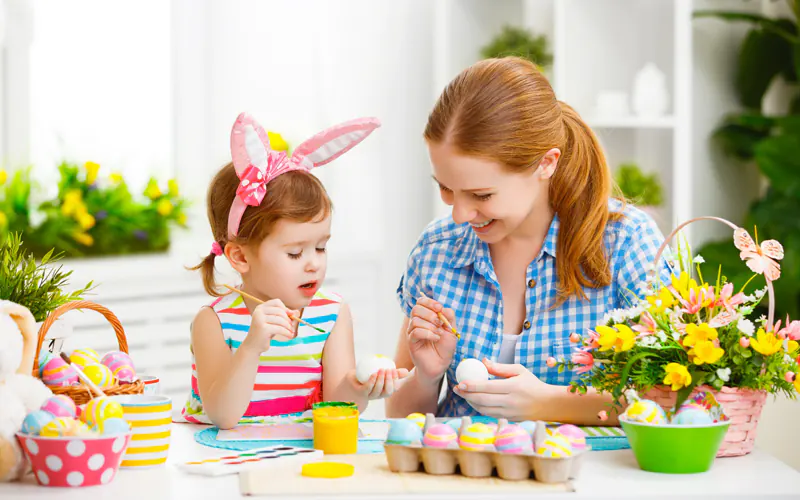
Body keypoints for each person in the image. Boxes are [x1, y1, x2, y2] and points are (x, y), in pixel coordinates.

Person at [386, 57, 670, 425]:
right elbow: (399, 417)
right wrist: (426, 376)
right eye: (445, 188)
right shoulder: (437, 250)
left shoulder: (625, 242)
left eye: (482, 195)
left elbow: (670, 396)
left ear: (546, 163)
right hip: (460, 476)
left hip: (585, 477)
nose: (459, 214)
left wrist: (547, 403)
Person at [182, 113, 407, 428]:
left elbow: (337, 405)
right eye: (294, 252)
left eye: (321, 247)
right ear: (240, 257)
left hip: (295, 456)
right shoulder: (214, 322)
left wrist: (361, 389)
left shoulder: (331, 313)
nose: (313, 263)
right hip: (221, 457)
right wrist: (251, 347)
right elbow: (222, 415)